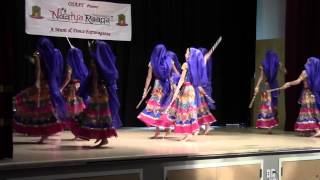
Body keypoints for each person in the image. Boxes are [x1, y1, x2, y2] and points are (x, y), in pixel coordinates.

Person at [13, 37, 66, 143]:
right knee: (45, 109)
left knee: (32, 105)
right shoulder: (53, 54)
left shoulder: (38, 54)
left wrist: (37, 81)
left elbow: (38, 69)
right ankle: (45, 133)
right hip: (48, 84)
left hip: (41, 84)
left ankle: (44, 133)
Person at [70, 40, 120, 147]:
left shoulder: (95, 60)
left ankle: (103, 138)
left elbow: (95, 76)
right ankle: (102, 137)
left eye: (92, 47)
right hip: (104, 90)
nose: (90, 49)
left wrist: (94, 91)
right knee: (101, 115)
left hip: (99, 91)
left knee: (96, 114)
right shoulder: (106, 61)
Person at [162, 48, 209, 141]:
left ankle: (188, 133)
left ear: (190, 55)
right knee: (189, 110)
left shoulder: (186, 64)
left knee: (184, 110)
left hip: (186, 89)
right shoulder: (195, 66)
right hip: (191, 90)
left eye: (187, 52)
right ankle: (190, 131)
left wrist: (176, 92)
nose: (185, 54)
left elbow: (182, 79)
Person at [137, 44, 180, 138]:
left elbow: (149, 78)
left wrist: (145, 90)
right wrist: (173, 81)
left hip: (159, 87)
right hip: (166, 86)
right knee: (162, 107)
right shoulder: (169, 61)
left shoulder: (153, 62)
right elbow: (177, 74)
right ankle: (162, 130)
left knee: (158, 108)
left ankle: (162, 130)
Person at [275, 57, 320, 137]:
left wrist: (288, 83)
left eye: (307, 62)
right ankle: (313, 130)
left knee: (308, 112)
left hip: (307, 95)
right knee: (313, 112)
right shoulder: (316, 74)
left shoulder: (305, 72)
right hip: (314, 95)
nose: (305, 64)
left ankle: (317, 130)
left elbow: (297, 81)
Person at [60, 47, 88, 130]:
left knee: (72, 109)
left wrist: (61, 88)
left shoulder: (70, 64)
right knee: (78, 109)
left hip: (72, 88)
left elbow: (68, 78)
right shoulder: (81, 63)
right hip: (79, 86)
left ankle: (75, 128)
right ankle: (80, 128)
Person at [254, 51, 282, 134]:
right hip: (272, 86)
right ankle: (269, 127)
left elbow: (261, 77)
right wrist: (257, 86)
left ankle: (269, 126)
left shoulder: (265, 63)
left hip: (268, 86)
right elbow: (284, 71)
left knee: (270, 106)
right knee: (270, 106)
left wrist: (257, 86)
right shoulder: (273, 63)